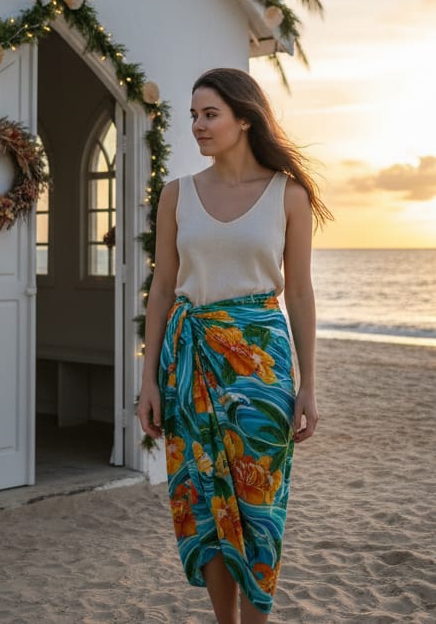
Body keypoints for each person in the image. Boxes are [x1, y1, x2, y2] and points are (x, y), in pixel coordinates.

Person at [137, 67, 332, 624]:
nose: (198, 125)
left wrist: (309, 386)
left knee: (259, 506)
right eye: (193, 116)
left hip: (262, 369)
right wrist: (148, 380)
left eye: (210, 114)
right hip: (188, 363)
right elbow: (161, 289)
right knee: (202, 502)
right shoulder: (177, 195)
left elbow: (299, 292)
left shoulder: (288, 195)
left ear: (244, 119)